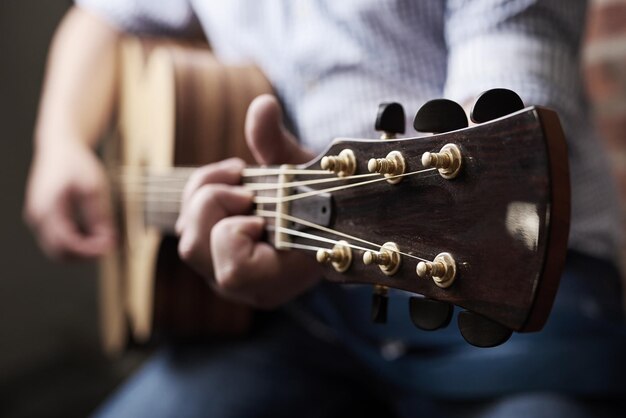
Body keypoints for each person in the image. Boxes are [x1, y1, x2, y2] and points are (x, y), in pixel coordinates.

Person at [24, 1, 626, 417]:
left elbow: (503, 139)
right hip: (307, 315)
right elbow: (99, 16)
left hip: (519, 291)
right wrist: (60, 145)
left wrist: (326, 219)